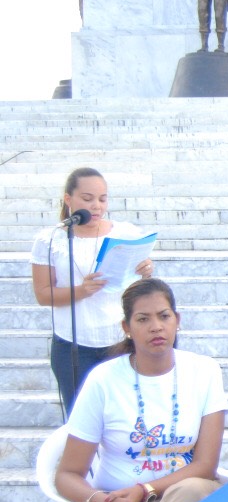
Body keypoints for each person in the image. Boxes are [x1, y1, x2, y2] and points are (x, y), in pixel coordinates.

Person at [54, 279, 226, 502]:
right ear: (127, 327)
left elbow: (205, 466)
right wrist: (98, 501)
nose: (156, 327)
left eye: (164, 316)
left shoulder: (204, 371)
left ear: (177, 320)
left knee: (187, 494)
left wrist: (145, 489)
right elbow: (67, 474)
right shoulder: (104, 380)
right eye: (143, 319)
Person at [31, 168, 155, 417]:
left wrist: (146, 271)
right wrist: (81, 291)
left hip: (119, 341)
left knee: (124, 416)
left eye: (102, 199)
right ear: (69, 199)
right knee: (81, 418)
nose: (96, 206)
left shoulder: (125, 233)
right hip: (73, 346)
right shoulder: (50, 239)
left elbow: (138, 285)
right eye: (87, 199)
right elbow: (43, 294)